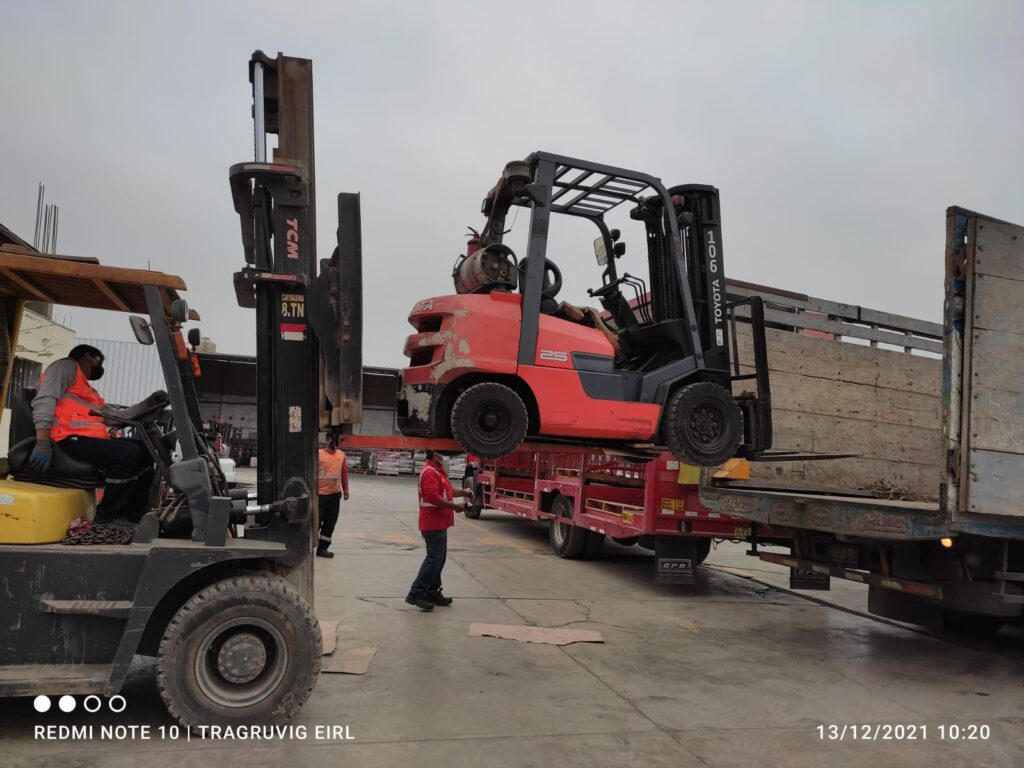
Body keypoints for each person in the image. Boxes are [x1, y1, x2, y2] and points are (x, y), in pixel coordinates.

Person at [28, 344, 161, 522]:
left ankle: (134, 513)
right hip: (65, 439)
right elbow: (45, 400)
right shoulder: (66, 366)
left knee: (145, 449)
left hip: (84, 440)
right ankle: (107, 517)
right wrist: (43, 440)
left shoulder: (88, 391)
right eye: (99, 361)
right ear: (87, 356)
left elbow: (114, 417)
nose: (100, 367)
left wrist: (148, 404)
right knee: (128, 453)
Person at [406, 450, 474, 611]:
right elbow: (433, 497)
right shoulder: (429, 472)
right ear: (434, 455)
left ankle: (431, 592)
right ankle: (416, 593)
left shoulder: (438, 471)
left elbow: (447, 490)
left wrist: (463, 492)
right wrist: (455, 507)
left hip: (439, 523)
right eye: (440, 454)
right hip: (432, 523)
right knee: (433, 559)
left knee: (439, 560)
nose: (443, 457)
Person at [316, 432, 349, 558]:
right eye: (332, 439)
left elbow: (344, 474)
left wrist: (346, 490)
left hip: (335, 495)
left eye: (336, 440)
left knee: (330, 524)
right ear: (327, 440)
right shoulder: (318, 454)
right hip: (320, 495)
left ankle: (322, 549)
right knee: (316, 523)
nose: (334, 442)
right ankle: (308, 547)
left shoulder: (341, 455)